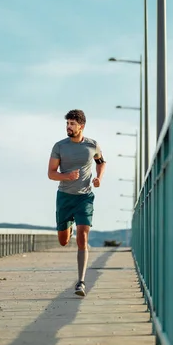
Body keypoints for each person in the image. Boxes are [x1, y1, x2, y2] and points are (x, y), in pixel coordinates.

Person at [48, 109, 106, 296]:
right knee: (64, 241)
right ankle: (68, 226)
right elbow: (51, 173)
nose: (68, 127)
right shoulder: (59, 146)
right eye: (67, 124)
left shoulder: (92, 145)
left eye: (72, 124)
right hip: (65, 197)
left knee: (83, 237)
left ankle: (80, 282)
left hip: (84, 197)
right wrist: (66, 176)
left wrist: (99, 178)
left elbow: (101, 162)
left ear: (81, 126)